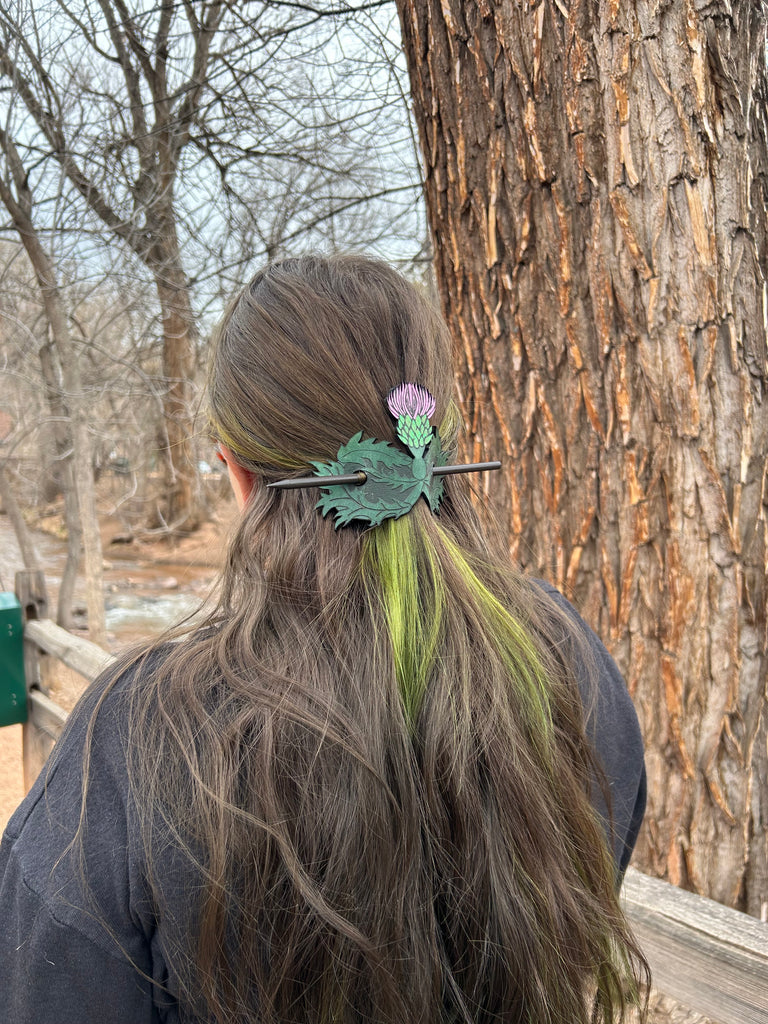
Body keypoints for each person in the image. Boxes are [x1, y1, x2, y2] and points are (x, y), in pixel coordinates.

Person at [0, 254, 648, 1023]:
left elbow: (53, 984)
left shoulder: (138, 736)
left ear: (236, 475)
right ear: (435, 442)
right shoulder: (562, 656)